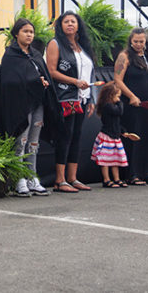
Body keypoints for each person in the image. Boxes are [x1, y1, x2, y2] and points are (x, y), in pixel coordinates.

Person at [0, 18, 57, 197]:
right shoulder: (11, 55)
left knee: (34, 143)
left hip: (38, 103)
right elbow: (10, 82)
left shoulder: (35, 54)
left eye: (31, 32)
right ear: (16, 34)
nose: (29, 35)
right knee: (21, 141)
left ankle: (32, 177)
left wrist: (41, 83)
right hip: (20, 106)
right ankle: (19, 179)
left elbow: (44, 75)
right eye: (25, 31)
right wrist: (35, 82)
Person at [45, 11, 96, 193]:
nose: (70, 24)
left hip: (82, 98)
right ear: (60, 25)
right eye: (66, 22)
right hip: (65, 97)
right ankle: (60, 180)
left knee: (76, 137)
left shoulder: (82, 46)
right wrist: (75, 82)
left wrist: (91, 98)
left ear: (78, 25)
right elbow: (51, 71)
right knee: (64, 137)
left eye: (73, 21)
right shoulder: (55, 43)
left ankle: (72, 177)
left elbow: (90, 73)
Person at [112, 28, 148, 186]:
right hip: (132, 104)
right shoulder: (124, 56)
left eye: (142, 41)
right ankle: (132, 174)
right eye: (136, 41)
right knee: (134, 137)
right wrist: (132, 96)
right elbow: (117, 80)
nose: (139, 44)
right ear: (131, 41)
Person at [91, 82, 131, 188]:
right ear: (110, 96)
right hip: (107, 136)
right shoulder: (108, 106)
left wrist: (123, 131)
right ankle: (106, 179)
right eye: (117, 96)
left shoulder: (112, 106)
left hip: (115, 135)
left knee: (115, 159)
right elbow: (119, 112)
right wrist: (120, 103)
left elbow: (116, 122)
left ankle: (116, 178)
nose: (119, 99)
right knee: (105, 159)